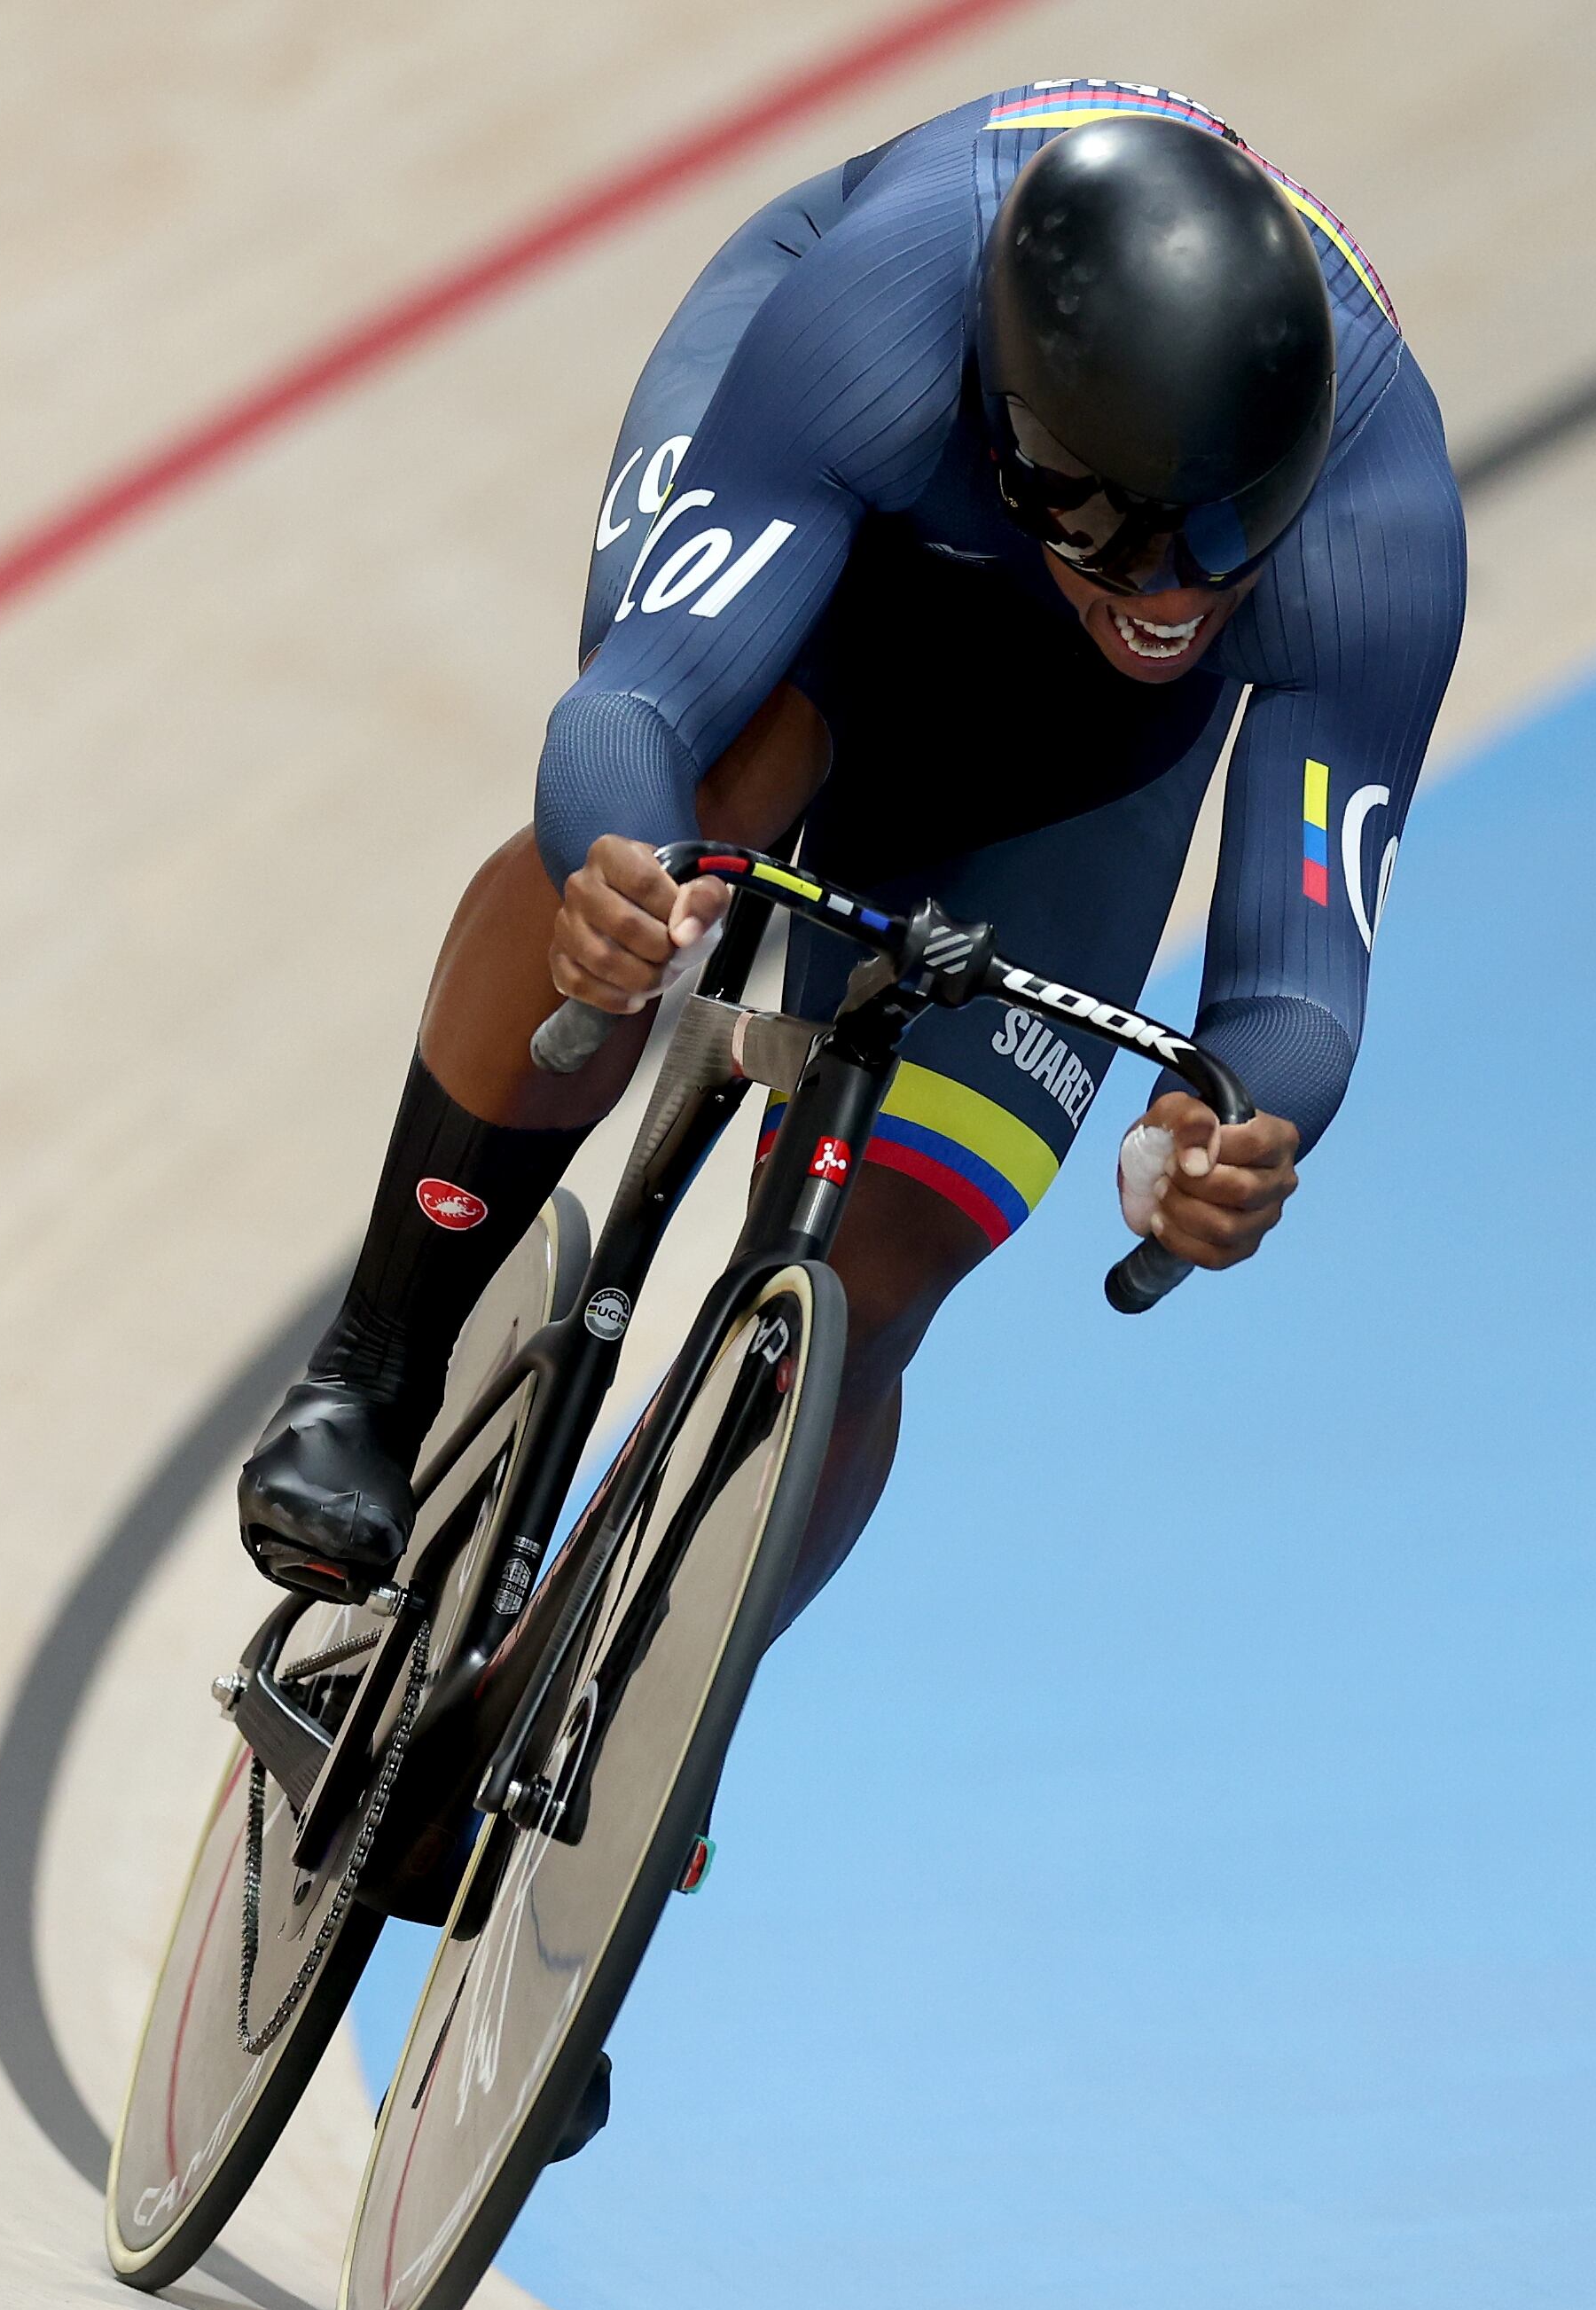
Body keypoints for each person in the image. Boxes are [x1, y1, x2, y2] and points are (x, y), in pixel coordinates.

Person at [239, 80, 1467, 1607]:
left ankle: (607, 1693)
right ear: (1020, 454)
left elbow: (1297, 989)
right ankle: (375, 1362)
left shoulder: (1373, 530)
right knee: (702, 814)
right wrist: (621, 868)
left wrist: (1233, 1129)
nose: (1180, 598)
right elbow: (635, 707)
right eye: (1140, 548)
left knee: (876, 1278)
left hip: (1065, 718)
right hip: (834, 513)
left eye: (1232, 543)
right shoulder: (874, 321)